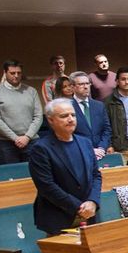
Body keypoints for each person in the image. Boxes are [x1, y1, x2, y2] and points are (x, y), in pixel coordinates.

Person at [29, 99, 102, 236]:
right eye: (64, 116)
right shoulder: (41, 148)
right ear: (50, 120)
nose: (70, 119)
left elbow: (95, 175)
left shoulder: (85, 142)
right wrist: (79, 206)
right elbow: (46, 186)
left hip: (88, 214)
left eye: (73, 115)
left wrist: (93, 201)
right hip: (59, 217)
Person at [0, 60, 42, 164]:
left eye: (19, 73)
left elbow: (38, 116)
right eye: (12, 73)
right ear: (5, 73)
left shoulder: (31, 91)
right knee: (11, 177)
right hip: (6, 143)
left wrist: (27, 137)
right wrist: (15, 138)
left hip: (31, 141)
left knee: (34, 175)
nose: (16, 76)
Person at [67, 71, 111, 160]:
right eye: (81, 84)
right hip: (78, 155)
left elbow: (107, 130)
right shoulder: (67, 107)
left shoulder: (99, 105)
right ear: (72, 87)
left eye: (87, 83)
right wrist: (89, 150)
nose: (86, 87)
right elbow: (68, 134)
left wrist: (101, 148)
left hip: (100, 154)